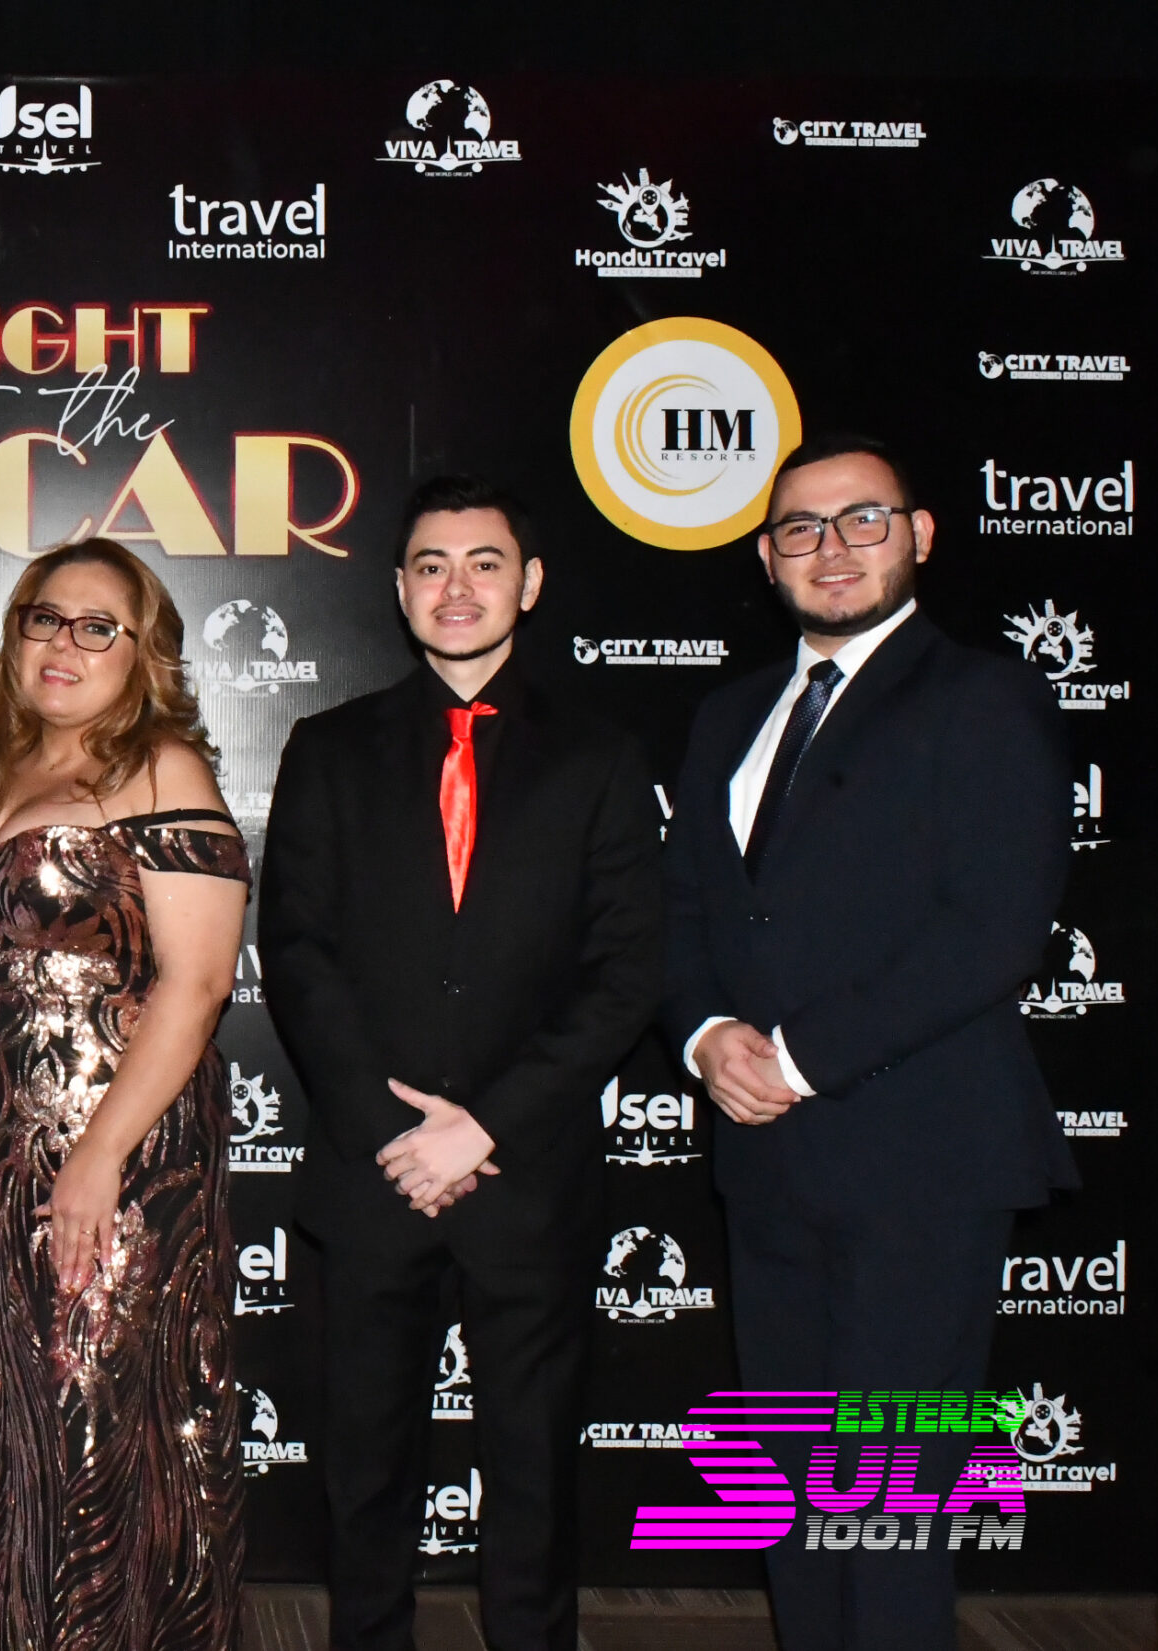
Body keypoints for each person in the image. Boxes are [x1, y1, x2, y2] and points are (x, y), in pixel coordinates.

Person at [663, 433, 1071, 1651]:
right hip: (765, 1165)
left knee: (889, 1509)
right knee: (792, 1500)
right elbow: (682, 910)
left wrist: (793, 1057)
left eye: (861, 519)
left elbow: (993, 928)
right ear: (765, 555)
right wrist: (705, 1036)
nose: (830, 548)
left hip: (920, 1163)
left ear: (919, 534)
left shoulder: (983, 695)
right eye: (800, 527)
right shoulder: (728, 714)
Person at [259, 476, 662, 1651]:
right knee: (364, 1471)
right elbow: (296, 951)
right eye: (430, 564)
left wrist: (483, 1125)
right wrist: (396, 1135)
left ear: (528, 585)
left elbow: (626, 972)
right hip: (371, 1173)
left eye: (484, 562)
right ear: (398, 588)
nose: (456, 586)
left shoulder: (598, 756)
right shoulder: (327, 748)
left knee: (534, 1477)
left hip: (527, 1176)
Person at [0, 538, 252, 1649]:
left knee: (97, 1432)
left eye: (100, 627)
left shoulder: (160, 768)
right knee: (0, 1424)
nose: (66, 644)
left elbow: (196, 983)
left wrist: (96, 1156)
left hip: (122, 1160)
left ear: (145, 653)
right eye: (45, 618)